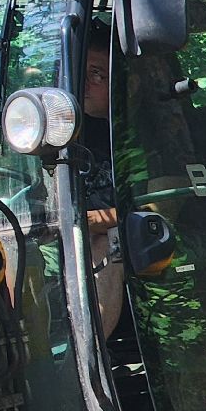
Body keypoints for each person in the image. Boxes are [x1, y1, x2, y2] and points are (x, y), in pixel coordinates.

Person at [80, 25, 125, 336]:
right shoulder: (74, 131)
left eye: (97, 74)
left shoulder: (148, 132)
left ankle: (92, 352)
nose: (84, 84)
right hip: (72, 233)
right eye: (82, 72)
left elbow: (159, 208)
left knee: (109, 241)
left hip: (120, 236)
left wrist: (89, 222)